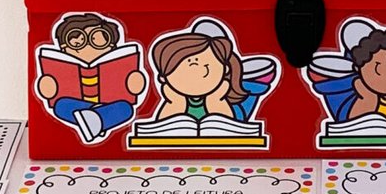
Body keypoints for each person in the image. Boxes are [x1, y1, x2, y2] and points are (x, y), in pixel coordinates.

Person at [141, 20, 274, 141]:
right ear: (163, 78)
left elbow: (227, 126)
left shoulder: (221, 95)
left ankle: (250, 78)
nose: (198, 73)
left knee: (250, 91)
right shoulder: (174, 98)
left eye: (206, 66)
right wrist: (174, 103)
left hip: (234, 106)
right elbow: (163, 127)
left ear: (225, 69)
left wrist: (216, 100)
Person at [36, 12, 145, 142]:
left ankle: (93, 121)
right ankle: (100, 120)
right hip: (81, 105)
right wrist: (47, 86)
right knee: (61, 105)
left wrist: (135, 82)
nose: (88, 47)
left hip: (111, 103)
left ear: (111, 47)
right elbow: (49, 91)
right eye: (77, 44)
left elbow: (134, 88)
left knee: (125, 108)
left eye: (97, 42)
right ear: (64, 48)